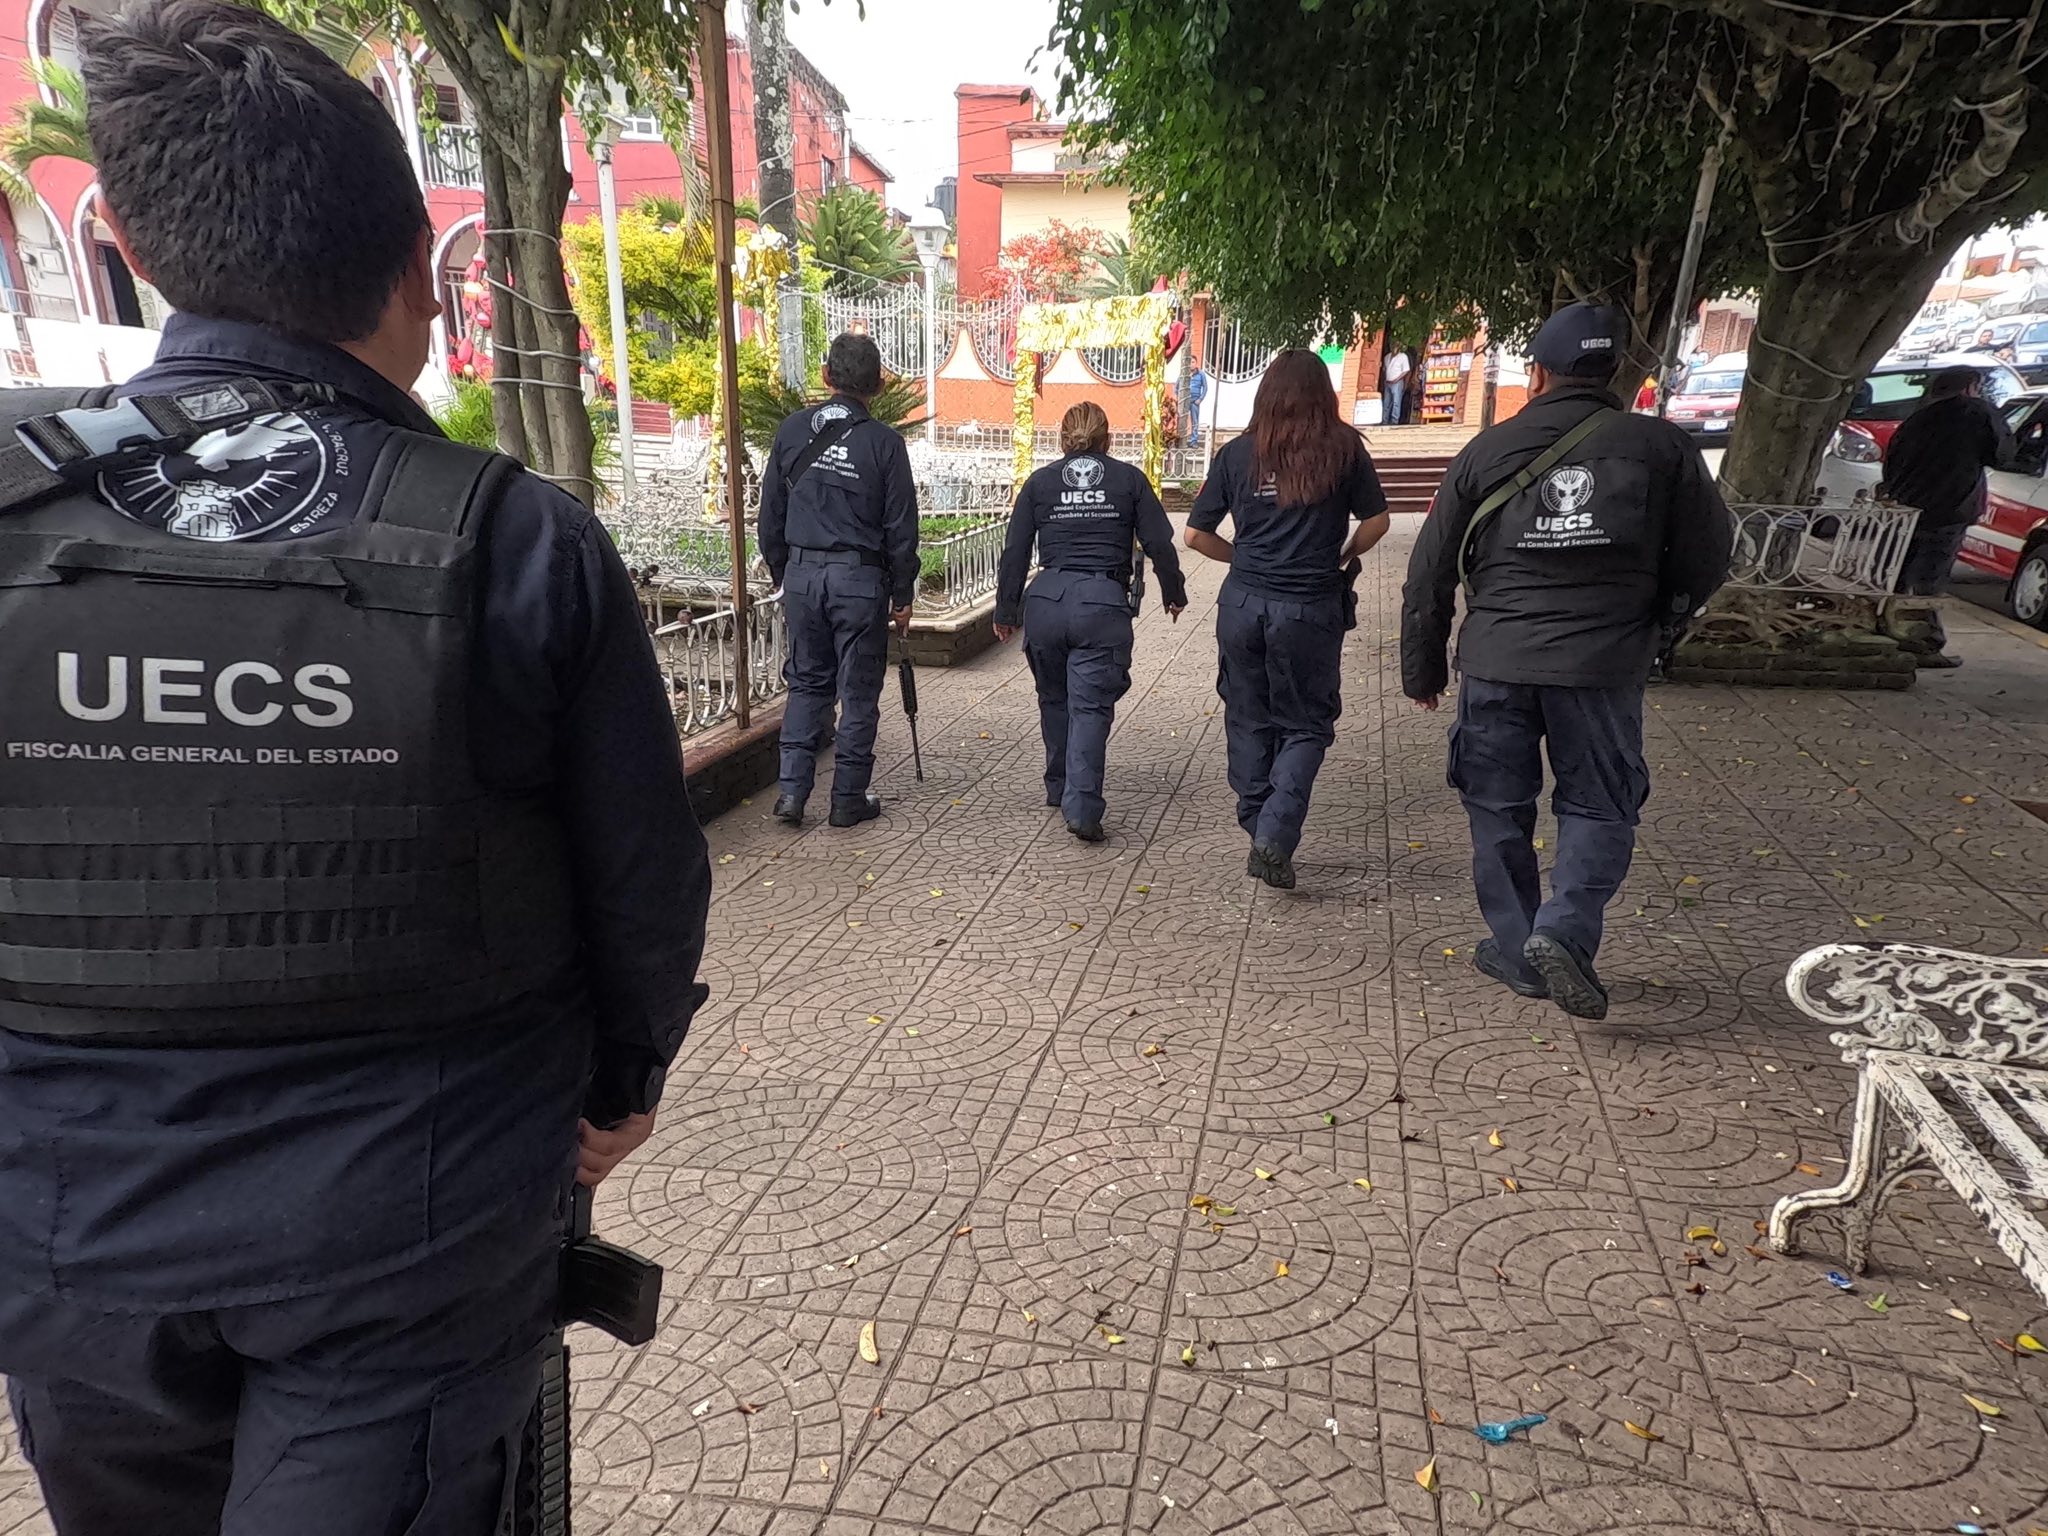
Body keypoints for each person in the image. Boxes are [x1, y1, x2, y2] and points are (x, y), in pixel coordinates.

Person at [0, 6, 711, 1533]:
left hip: (65, 1232)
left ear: (129, 243)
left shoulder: (14, 510)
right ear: (419, 276)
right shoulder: (516, 540)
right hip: (413, 1243)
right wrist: (620, 1088)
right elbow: (646, 887)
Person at [1400, 302, 1731, 1020]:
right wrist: (1658, 627)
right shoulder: (1662, 448)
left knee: (1497, 804)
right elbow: (1709, 555)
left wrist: (1422, 670)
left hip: (1499, 661)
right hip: (1603, 666)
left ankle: (1520, 950)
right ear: (1613, 370)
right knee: (1600, 802)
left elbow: (1429, 573)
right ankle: (1565, 932)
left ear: (1537, 374)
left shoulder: (1487, 450)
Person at [1186, 349, 1392, 889]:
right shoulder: (1344, 449)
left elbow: (1196, 535)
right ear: (1324, 394)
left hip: (1243, 605)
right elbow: (1378, 520)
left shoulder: (1237, 454)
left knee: (1247, 714)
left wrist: (1244, 559)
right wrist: (1344, 554)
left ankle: (1261, 823)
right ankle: (1273, 833)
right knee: (1305, 723)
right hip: (1310, 608)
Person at [995, 402, 1188, 840]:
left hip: (1046, 601)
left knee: (1053, 698)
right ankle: (1081, 808)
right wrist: (1173, 593)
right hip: (1101, 603)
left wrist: (1006, 611)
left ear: (1062, 440)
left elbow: (1015, 550)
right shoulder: (1129, 480)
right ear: (1108, 439)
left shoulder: (1040, 483)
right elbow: (1159, 542)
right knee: (1089, 706)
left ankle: (1058, 786)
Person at [758, 333, 919, 828]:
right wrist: (902, 595)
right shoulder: (885, 444)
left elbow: (770, 514)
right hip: (860, 581)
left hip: (804, 575)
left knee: (807, 683)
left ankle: (792, 793)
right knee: (859, 691)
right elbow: (901, 528)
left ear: (826, 376)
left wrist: (787, 572)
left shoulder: (792, 430)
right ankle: (848, 798)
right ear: (878, 384)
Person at [1879, 364, 2017, 667]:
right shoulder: (1977, 412)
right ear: (1970, 387)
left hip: (1906, 507)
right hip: (1949, 508)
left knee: (1898, 575)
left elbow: (1891, 464)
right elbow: (2003, 455)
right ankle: (1923, 644)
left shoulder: (1916, 419)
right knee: (1929, 580)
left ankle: (1887, 633)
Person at [1383, 345, 1413, 426]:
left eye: (1396, 346)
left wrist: (1397, 379)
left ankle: (1394, 421)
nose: (1394, 348)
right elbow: (1385, 369)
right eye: (1393, 346)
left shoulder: (1403, 356)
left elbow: (1406, 370)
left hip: (1397, 383)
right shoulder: (1387, 357)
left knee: (1396, 402)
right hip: (1388, 382)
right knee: (1386, 402)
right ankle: (1385, 420)